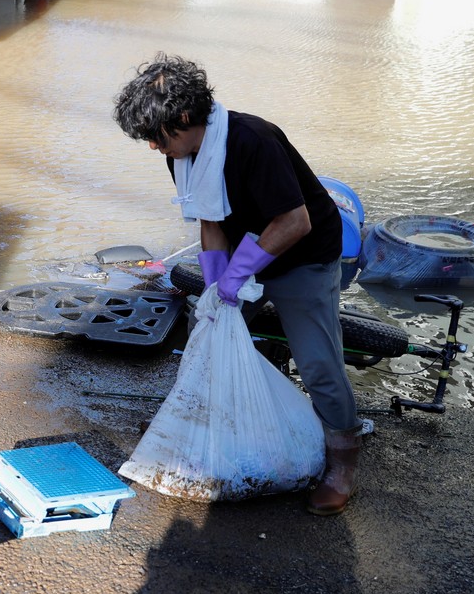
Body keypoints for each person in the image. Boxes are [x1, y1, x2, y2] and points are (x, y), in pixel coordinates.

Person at [112, 52, 365, 515]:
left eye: (155, 135)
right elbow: (211, 222)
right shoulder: (184, 152)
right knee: (205, 332)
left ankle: (342, 459)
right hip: (250, 251)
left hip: (303, 255)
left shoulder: (252, 140)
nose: (152, 147)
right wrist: (215, 289)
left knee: (317, 363)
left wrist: (236, 275)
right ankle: (211, 425)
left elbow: (295, 221)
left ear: (185, 117)